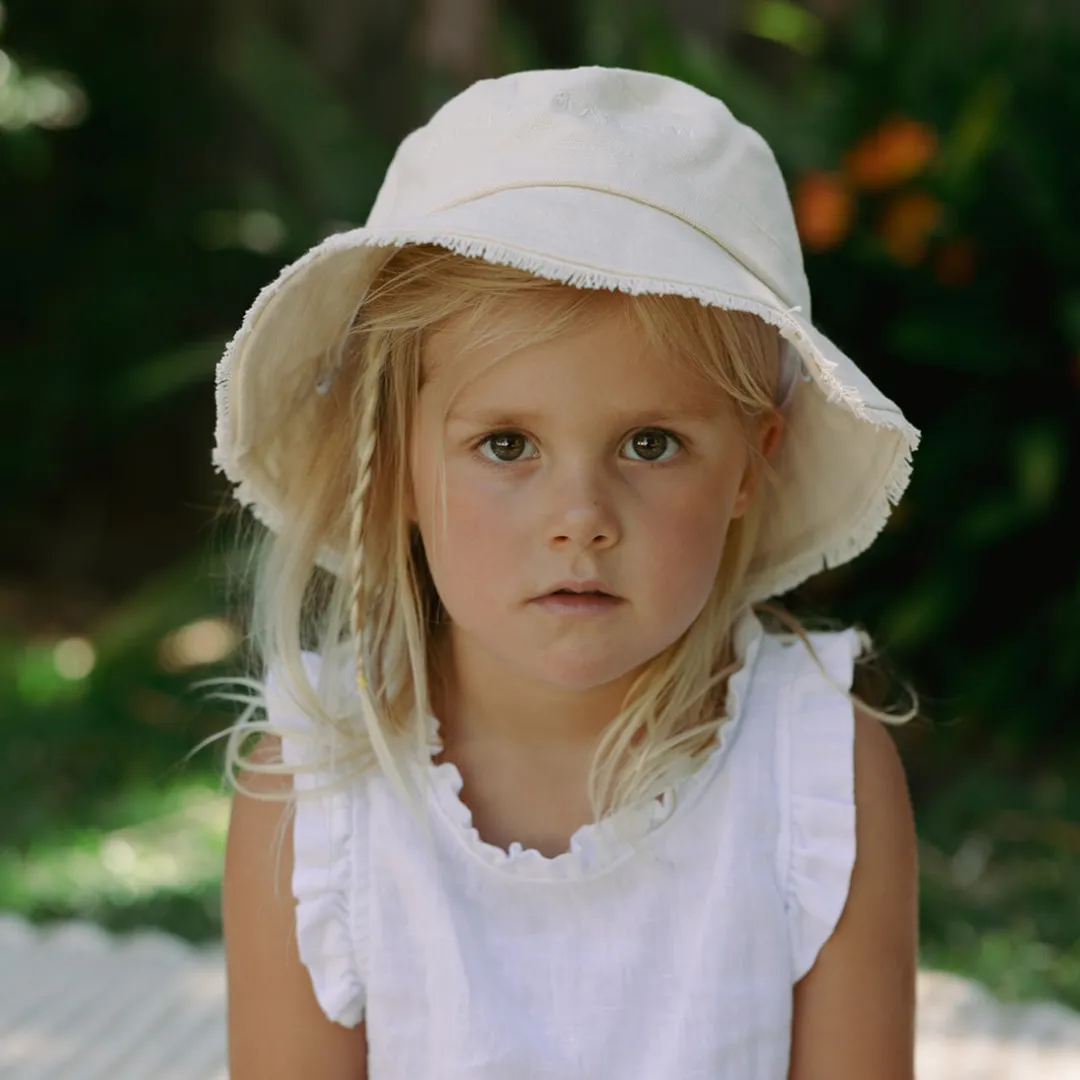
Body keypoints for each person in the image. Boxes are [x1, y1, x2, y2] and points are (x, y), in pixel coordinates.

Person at [215, 65, 920, 1080]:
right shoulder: (318, 790)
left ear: (749, 465)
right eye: (507, 446)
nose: (581, 521)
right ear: (397, 459)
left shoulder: (815, 773)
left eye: (649, 444)